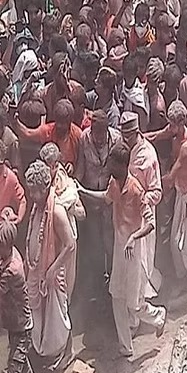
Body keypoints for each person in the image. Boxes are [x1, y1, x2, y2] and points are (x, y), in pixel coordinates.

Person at [77, 145, 166, 357]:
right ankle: (125, 348)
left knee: (134, 303)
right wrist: (83, 191)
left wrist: (134, 237)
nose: (109, 166)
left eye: (113, 163)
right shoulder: (114, 183)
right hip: (120, 248)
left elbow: (151, 222)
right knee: (116, 296)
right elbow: (105, 198)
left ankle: (158, 316)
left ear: (122, 165)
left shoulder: (136, 190)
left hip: (133, 250)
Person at [146, 100, 187, 292]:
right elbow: (157, 135)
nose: (170, 127)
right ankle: (185, 278)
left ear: (181, 123)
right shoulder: (173, 131)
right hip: (183, 193)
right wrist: (140, 138)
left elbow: (171, 177)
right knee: (175, 242)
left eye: (173, 124)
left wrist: (153, 188)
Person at [24, 160, 75, 370]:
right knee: (39, 314)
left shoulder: (57, 211)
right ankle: (43, 351)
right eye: (30, 191)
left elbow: (70, 243)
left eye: (35, 191)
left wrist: (54, 268)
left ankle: (67, 351)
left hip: (52, 275)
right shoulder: (37, 207)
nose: (32, 195)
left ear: (45, 187)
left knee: (59, 316)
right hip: (37, 272)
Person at [76, 110, 120, 301]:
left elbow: (119, 172)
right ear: (92, 129)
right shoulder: (83, 139)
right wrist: (74, 187)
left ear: (107, 129)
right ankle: (96, 285)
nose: (99, 137)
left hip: (110, 203)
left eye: (102, 132)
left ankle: (112, 282)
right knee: (95, 244)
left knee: (110, 243)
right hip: (91, 201)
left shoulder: (116, 140)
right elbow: (80, 167)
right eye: (96, 132)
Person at [120, 112, 163, 297]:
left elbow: (157, 192)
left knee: (142, 264)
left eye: (127, 136)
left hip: (143, 218)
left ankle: (142, 305)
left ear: (136, 133)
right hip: (123, 215)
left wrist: (142, 199)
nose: (124, 140)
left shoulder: (148, 156)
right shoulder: (122, 148)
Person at [0, 214, 37, 373]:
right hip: (19, 325)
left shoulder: (11, 271)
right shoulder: (12, 253)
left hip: (21, 328)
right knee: (22, 363)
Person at [39, 143, 85, 300]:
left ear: (56, 165)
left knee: (64, 287)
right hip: (46, 241)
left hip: (66, 243)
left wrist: (68, 208)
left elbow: (82, 213)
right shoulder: (41, 184)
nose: (46, 169)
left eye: (49, 166)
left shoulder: (68, 185)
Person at [13, 98, 83, 170]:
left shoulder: (78, 135)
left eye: (63, 123)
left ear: (70, 121)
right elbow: (27, 133)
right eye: (58, 121)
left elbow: (82, 163)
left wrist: (73, 166)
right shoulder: (47, 131)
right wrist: (15, 121)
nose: (59, 125)